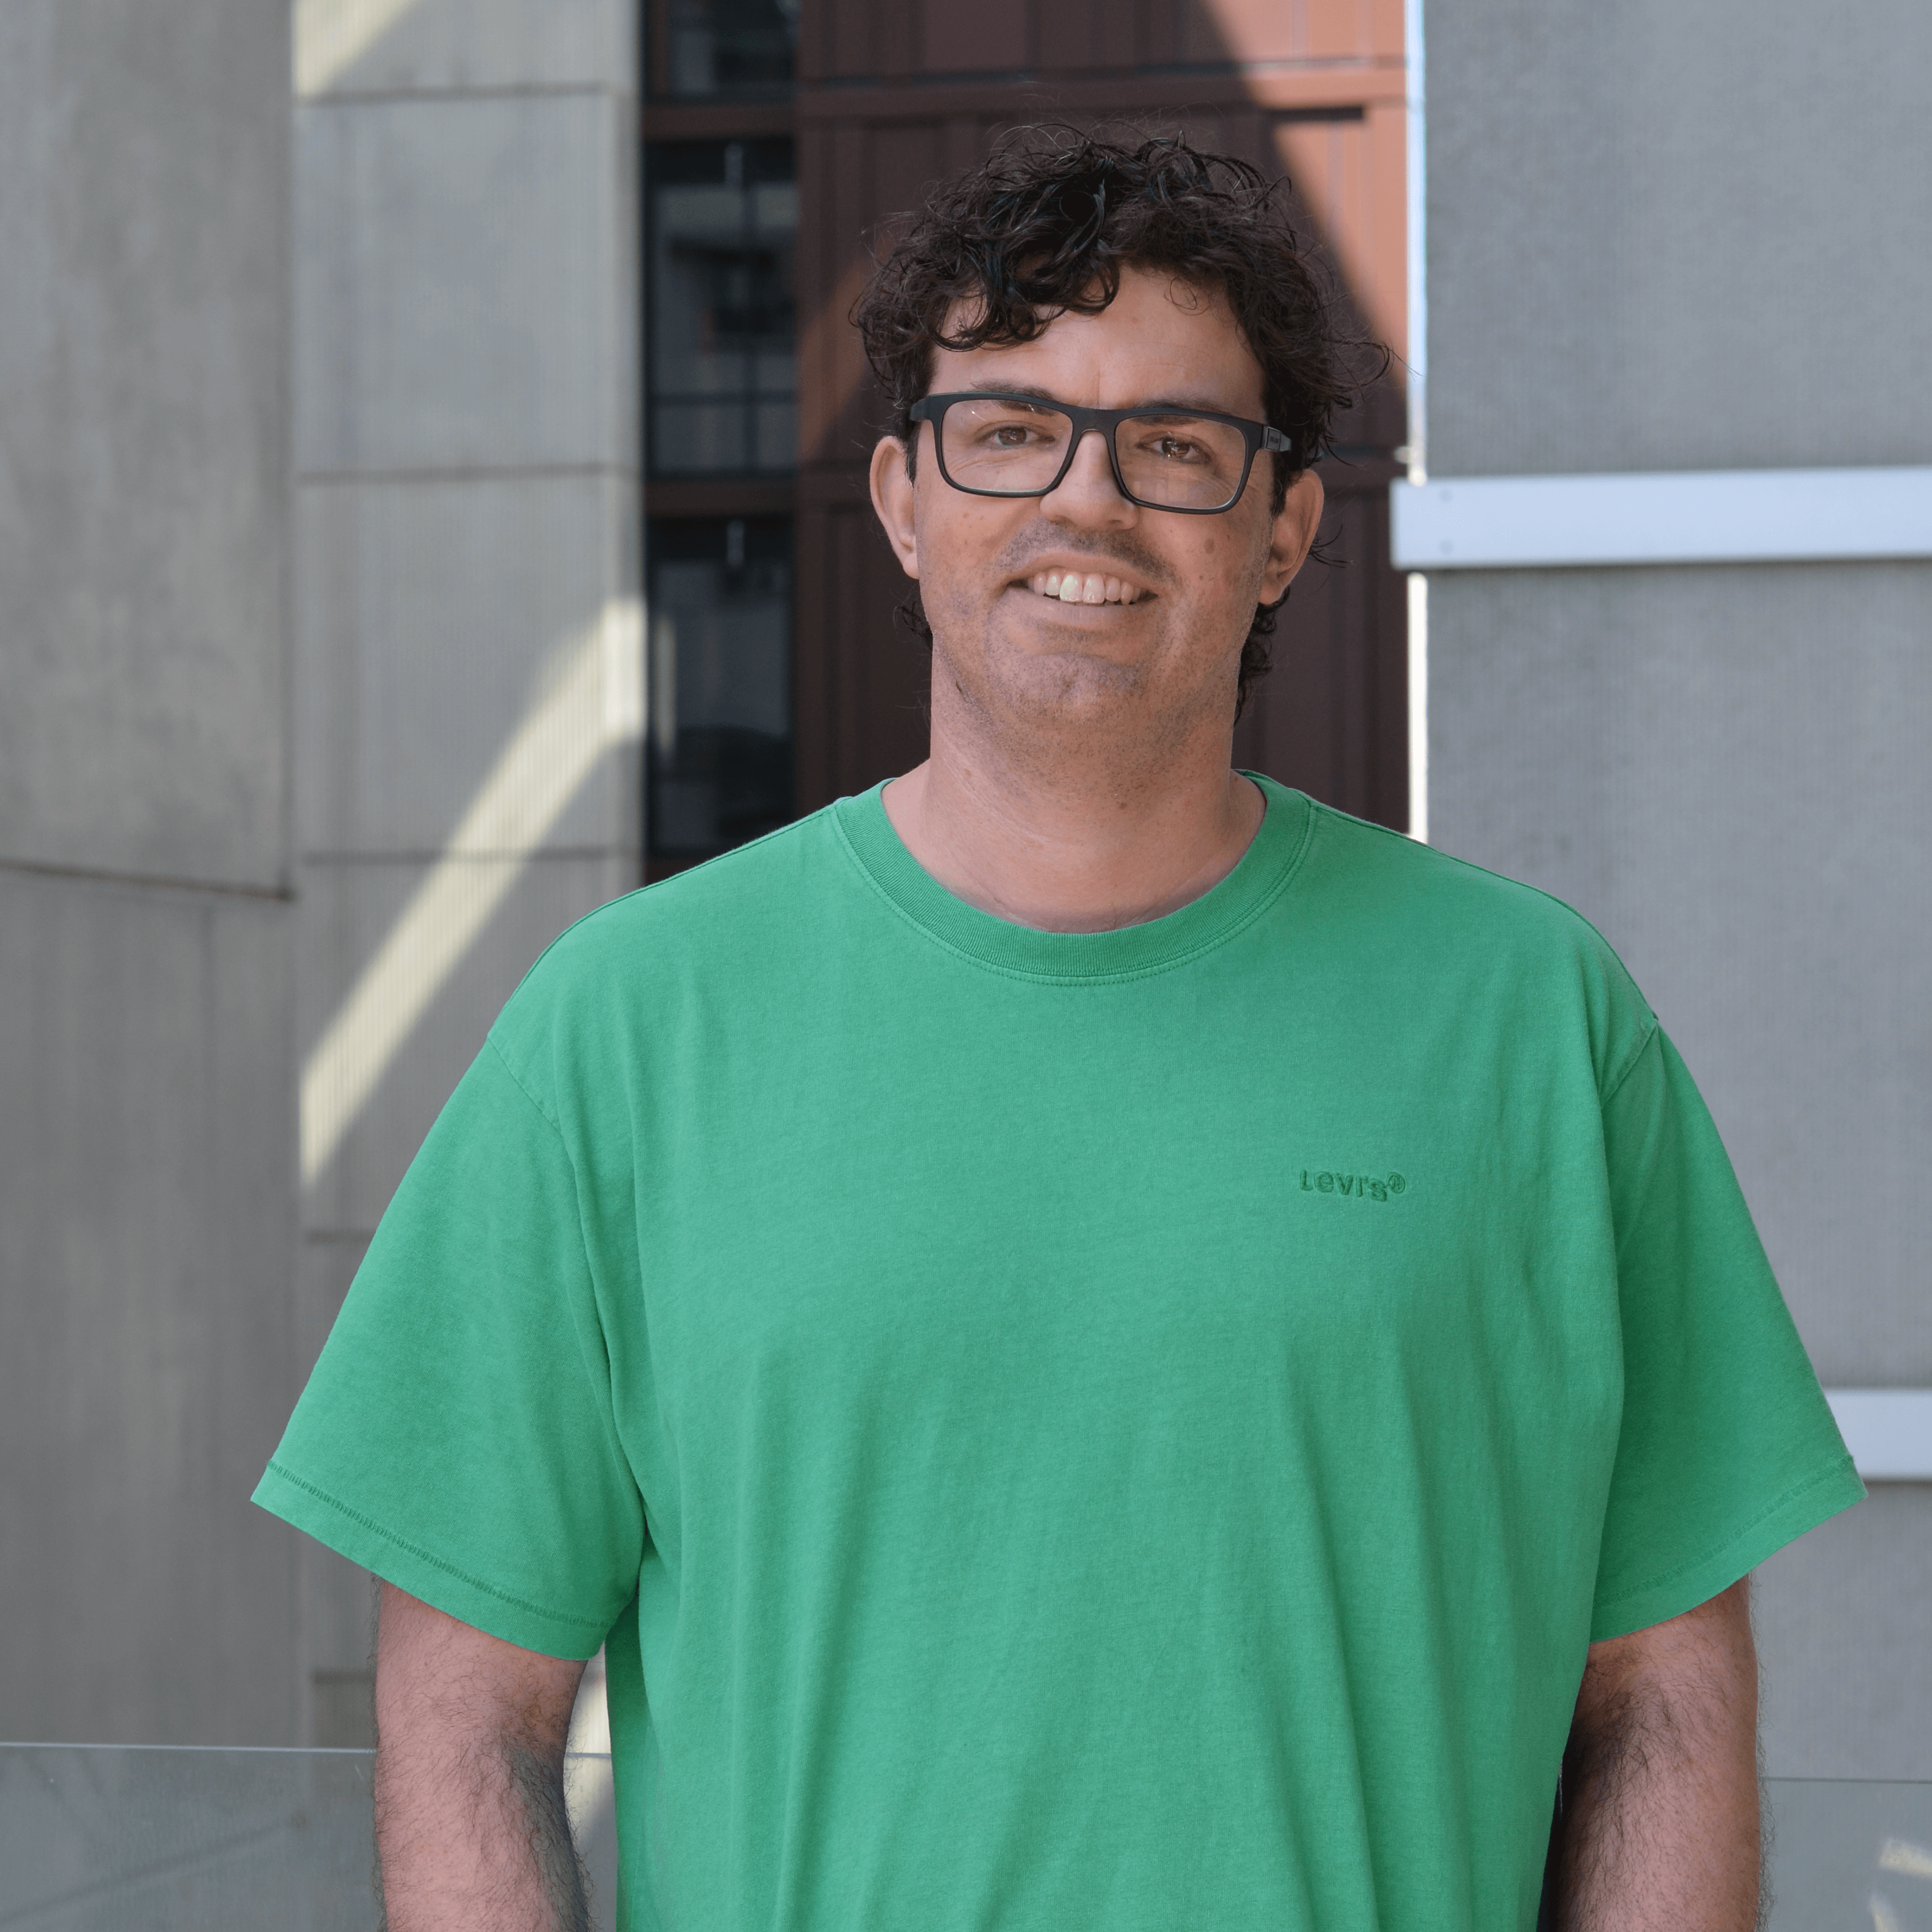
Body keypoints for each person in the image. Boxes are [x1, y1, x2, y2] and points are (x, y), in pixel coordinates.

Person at [256, 133, 1862, 1932]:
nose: (1084, 503)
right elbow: (466, 1721)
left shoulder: (1534, 1023)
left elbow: (1662, 1698)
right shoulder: (626, 1030)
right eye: (1011, 430)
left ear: (1284, 530)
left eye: (1172, 445)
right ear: (903, 500)